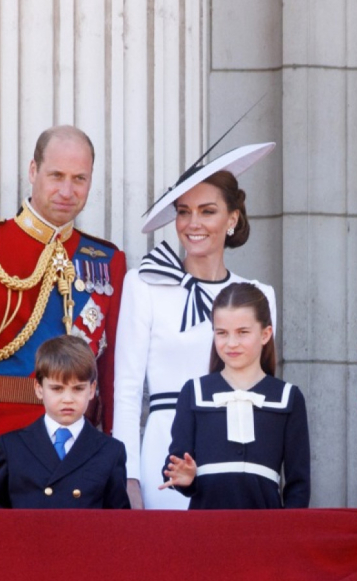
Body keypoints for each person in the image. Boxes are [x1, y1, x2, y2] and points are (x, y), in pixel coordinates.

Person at [0, 125, 125, 507]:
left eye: (79, 179)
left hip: (79, 455)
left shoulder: (106, 259)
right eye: (56, 176)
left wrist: (115, 453)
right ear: (33, 171)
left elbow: (111, 368)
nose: (67, 191)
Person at [112, 142, 277, 509]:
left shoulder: (259, 296)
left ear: (232, 218)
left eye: (208, 211)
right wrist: (129, 477)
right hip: (165, 451)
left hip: (237, 452)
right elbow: (125, 391)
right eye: (184, 212)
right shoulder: (144, 285)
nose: (193, 223)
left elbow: (263, 394)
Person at [161, 283, 310, 509]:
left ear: (265, 334)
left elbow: (298, 484)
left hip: (266, 530)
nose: (231, 343)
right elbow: (175, 466)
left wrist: (289, 534)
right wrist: (184, 478)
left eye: (243, 332)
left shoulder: (289, 397)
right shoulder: (193, 392)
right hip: (206, 526)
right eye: (222, 333)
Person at [0, 336, 130, 509]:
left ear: (92, 390)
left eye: (78, 388)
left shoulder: (110, 451)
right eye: (57, 389)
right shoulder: (13, 446)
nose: (68, 399)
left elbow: (118, 521)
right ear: (39, 389)